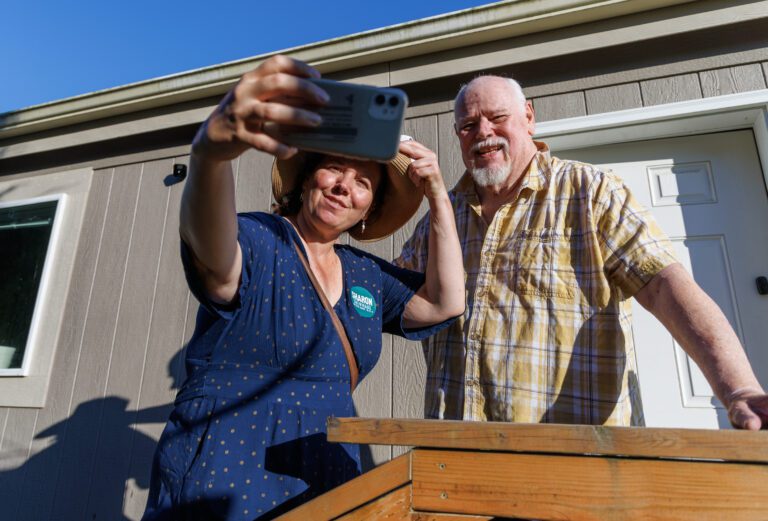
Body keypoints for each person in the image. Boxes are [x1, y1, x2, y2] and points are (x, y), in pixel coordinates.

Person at [143, 55, 464, 521]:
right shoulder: (258, 238)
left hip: (324, 479)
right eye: (335, 168)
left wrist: (437, 196)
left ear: (369, 211)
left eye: (362, 183)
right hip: (223, 473)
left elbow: (445, 302)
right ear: (309, 176)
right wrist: (210, 153)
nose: (343, 187)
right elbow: (214, 255)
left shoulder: (365, 275)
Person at [397, 74, 768, 430]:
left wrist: (738, 389)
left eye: (497, 118)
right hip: (455, 454)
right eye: (468, 126)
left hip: (576, 458)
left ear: (529, 117)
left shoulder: (591, 192)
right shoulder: (440, 218)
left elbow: (664, 285)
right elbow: (386, 295)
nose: (483, 133)